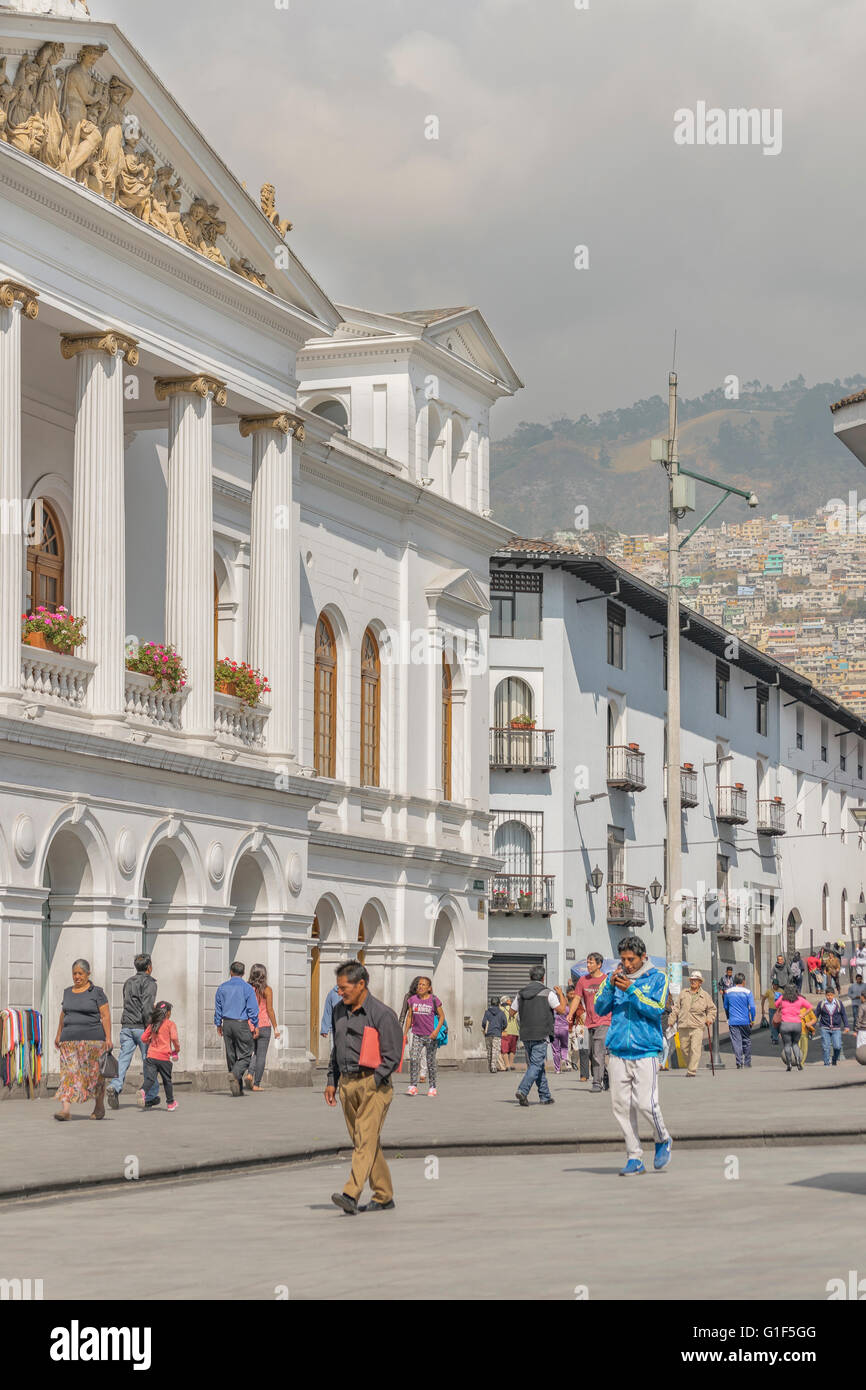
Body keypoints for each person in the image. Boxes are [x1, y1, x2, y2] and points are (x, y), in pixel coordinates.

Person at [325, 960, 403, 1214]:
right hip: (347, 1084)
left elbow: (393, 1055)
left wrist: (375, 1080)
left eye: (344, 988)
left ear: (361, 984)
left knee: (364, 1140)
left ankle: (351, 1193)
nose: (340, 992)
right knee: (365, 1141)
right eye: (338, 988)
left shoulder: (382, 1014)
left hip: (374, 1085)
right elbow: (336, 1048)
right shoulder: (338, 1010)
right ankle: (384, 1195)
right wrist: (332, 1080)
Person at [594, 934, 672, 1175]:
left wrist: (632, 990)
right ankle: (634, 1156)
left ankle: (662, 1138)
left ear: (643, 957)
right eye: (623, 959)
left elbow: (657, 1009)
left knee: (645, 1103)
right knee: (621, 1106)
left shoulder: (658, 978)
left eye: (631, 959)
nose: (627, 964)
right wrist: (610, 986)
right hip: (618, 1050)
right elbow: (599, 1008)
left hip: (646, 1050)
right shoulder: (613, 978)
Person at [53, 958, 112, 1122]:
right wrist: (58, 1034)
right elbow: (63, 1014)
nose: (77, 977)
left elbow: (105, 1016)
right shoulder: (67, 992)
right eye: (74, 973)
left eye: (80, 973)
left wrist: (108, 1038)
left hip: (93, 1042)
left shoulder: (97, 992)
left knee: (94, 1076)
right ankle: (65, 1110)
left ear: (88, 974)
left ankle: (99, 1106)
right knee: (68, 1074)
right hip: (69, 1041)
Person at [107, 952, 158, 1110]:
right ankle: (150, 1095)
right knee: (149, 1061)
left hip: (127, 1026)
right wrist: (151, 1026)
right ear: (149, 967)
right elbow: (147, 1006)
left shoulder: (128, 982)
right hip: (142, 1027)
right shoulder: (149, 982)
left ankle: (115, 1086)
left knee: (123, 1059)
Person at [512, 966, 566, 1106]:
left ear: (530, 977)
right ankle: (523, 1090)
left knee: (537, 1066)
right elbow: (561, 1010)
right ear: (543, 978)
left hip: (526, 1034)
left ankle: (545, 1096)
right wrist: (560, 994)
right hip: (541, 1034)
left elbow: (512, 1012)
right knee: (536, 1065)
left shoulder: (520, 993)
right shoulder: (548, 993)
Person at [214, 961, 259, 1096]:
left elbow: (218, 1008)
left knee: (231, 1055)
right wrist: (255, 1025)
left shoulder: (222, 988)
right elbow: (252, 1009)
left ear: (231, 972)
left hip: (227, 1023)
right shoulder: (247, 988)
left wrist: (218, 1024)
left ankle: (237, 1088)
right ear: (243, 973)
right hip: (241, 1023)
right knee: (247, 1053)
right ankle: (234, 1074)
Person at [569, 952, 612, 1093]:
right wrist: (570, 1014)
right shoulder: (582, 980)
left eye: (591, 962)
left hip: (604, 1021)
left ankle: (596, 1083)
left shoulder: (607, 980)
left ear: (599, 965)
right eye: (587, 962)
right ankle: (604, 1075)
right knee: (590, 1053)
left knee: (598, 1052)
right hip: (589, 1022)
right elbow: (577, 998)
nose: (588, 965)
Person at [668, 970, 717, 1077]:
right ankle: (691, 1065)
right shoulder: (683, 993)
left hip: (697, 1026)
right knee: (684, 1049)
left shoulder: (705, 995)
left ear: (700, 982)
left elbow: (712, 1009)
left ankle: (691, 1071)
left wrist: (709, 1018)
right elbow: (676, 1008)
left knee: (695, 1049)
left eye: (696, 980)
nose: (693, 981)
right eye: (692, 980)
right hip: (683, 1026)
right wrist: (671, 1020)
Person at [404, 976, 444, 1096]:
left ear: (429, 988)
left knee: (430, 1062)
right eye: (419, 984)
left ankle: (432, 1087)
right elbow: (409, 1017)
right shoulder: (412, 1000)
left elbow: (442, 1017)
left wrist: (436, 1031)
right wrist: (405, 1033)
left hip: (431, 1036)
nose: (420, 987)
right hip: (417, 1034)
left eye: (423, 985)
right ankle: (413, 1086)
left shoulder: (434, 1000)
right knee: (414, 1058)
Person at [245, 964, 280, 1091]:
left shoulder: (247, 988)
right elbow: (270, 1010)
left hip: (250, 1025)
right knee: (261, 1055)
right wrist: (275, 1028)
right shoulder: (267, 990)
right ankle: (257, 1084)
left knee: (252, 1052)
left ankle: (250, 1074)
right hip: (264, 1025)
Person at [139, 1000, 179, 1110]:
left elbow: (143, 1038)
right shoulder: (170, 1024)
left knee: (150, 1079)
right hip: (164, 1058)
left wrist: (150, 1041)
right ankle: (170, 1103)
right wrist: (176, 1049)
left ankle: (143, 1091)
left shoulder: (152, 1024)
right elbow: (174, 1038)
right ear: (168, 1013)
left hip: (151, 1057)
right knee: (167, 1081)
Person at [774, 983, 811, 1072]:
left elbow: (776, 1005)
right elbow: (810, 1007)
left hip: (785, 1024)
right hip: (797, 1024)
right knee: (795, 1044)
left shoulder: (782, 998)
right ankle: (798, 1062)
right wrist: (803, 1014)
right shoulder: (800, 999)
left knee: (787, 1044)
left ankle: (789, 1064)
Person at [723, 972, 756, 1068]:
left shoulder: (728, 992)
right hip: (745, 1021)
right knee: (746, 1041)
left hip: (733, 1021)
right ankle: (747, 1062)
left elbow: (725, 1006)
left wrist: (728, 1017)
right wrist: (752, 1019)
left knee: (736, 1042)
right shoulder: (748, 992)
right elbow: (752, 1007)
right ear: (743, 981)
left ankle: (739, 1061)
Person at [815, 986, 849, 1066]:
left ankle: (834, 1059)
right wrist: (812, 1027)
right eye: (828, 995)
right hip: (824, 1028)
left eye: (831, 995)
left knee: (837, 1046)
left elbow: (843, 1015)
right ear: (825, 995)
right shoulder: (821, 1004)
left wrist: (846, 1026)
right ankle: (826, 1063)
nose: (829, 997)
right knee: (826, 1047)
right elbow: (815, 1016)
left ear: (834, 995)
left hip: (836, 1028)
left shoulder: (838, 1003)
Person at [481, 996, 507, 1074]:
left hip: (488, 1034)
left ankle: (490, 1066)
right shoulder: (501, 1013)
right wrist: (501, 1028)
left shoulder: (487, 1012)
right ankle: (493, 1067)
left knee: (489, 1050)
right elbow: (505, 1023)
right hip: (497, 1034)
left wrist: (486, 1028)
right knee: (495, 1050)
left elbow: (484, 1023)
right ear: (498, 1004)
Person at [769, 955, 790, 1044]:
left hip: (785, 985)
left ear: (783, 960)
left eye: (781, 959)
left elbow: (791, 973)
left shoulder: (786, 965)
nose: (780, 960)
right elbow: (771, 975)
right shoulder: (775, 967)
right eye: (779, 959)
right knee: (778, 1002)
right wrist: (774, 981)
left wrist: (788, 980)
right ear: (777, 960)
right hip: (778, 986)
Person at [552, 992, 571, 1073]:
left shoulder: (553, 1009)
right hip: (564, 1029)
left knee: (555, 1050)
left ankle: (557, 1069)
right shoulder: (567, 1008)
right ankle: (563, 1058)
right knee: (564, 1046)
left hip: (554, 1029)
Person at [500, 995, 519, 1071]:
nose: (511, 1001)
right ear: (507, 1001)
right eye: (509, 1000)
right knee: (512, 1049)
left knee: (504, 1049)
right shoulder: (513, 1009)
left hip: (505, 1032)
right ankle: (511, 1064)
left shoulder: (501, 1009)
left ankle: (507, 1065)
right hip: (515, 1032)